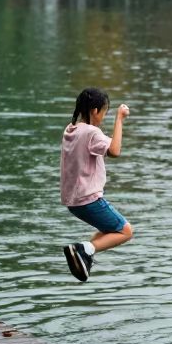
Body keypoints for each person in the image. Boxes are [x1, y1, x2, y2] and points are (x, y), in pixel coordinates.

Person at [60, 87, 132, 282]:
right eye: (104, 112)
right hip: (88, 199)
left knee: (108, 231)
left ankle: (84, 255)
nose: (104, 117)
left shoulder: (71, 129)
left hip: (72, 202)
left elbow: (106, 144)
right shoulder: (92, 133)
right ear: (94, 111)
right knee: (125, 231)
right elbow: (115, 150)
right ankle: (85, 249)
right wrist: (120, 118)